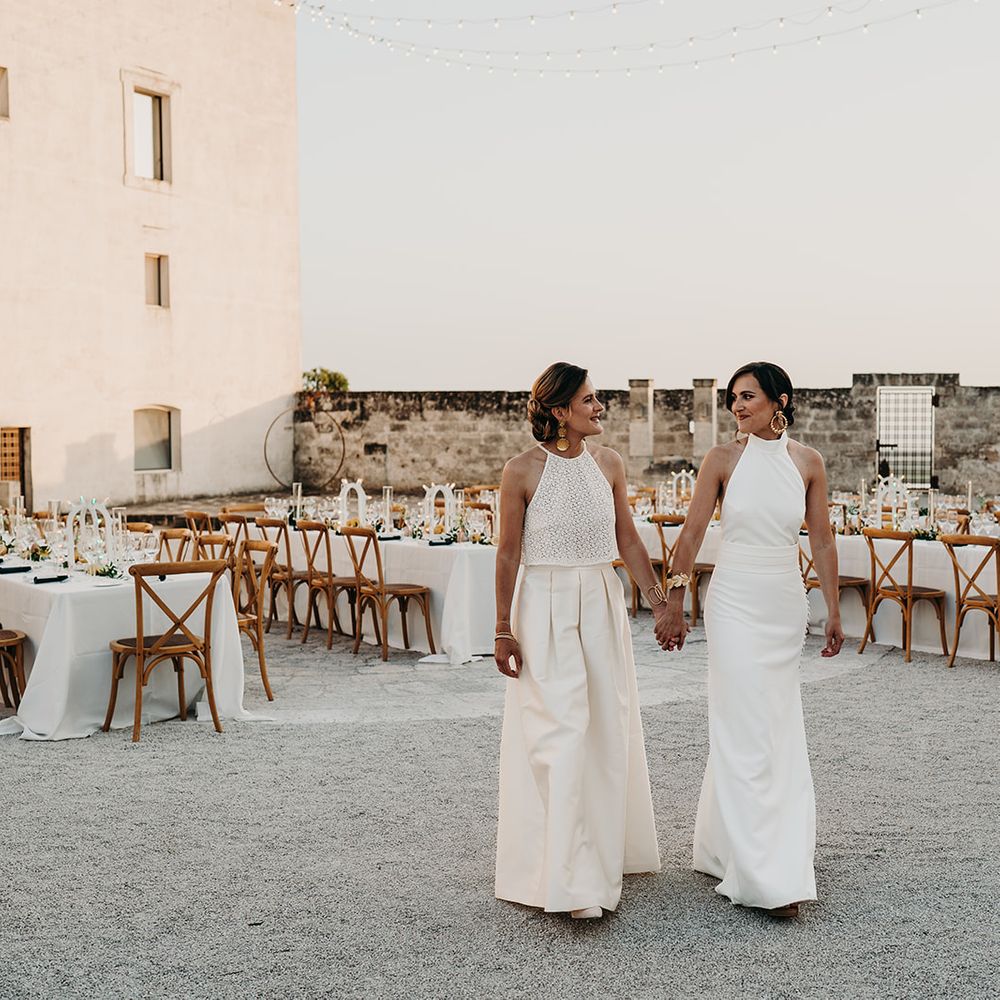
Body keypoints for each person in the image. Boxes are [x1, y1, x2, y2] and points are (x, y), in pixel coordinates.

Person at [656, 361, 844, 918]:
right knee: (741, 723)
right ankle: (766, 875)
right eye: (733, 399)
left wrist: (833, 610)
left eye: (748, 397)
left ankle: (729, 844)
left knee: (775, 724)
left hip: (784, 601)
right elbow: (690, 536)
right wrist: (673, 601)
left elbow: (825, 541)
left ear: (779, 401)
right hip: (734, 601)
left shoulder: (808, 462)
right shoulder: (720, 460)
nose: (738, 407)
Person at [493, 362, 666, 919]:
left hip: (600, 598)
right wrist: (502, 627)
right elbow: (507, 555)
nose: (600, 408)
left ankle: (601, 850)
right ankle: (569, 879)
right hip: (542, 605)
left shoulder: (609, 464)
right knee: (560, 734)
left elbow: (629, 541)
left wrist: (662, 602)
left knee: (605, 727)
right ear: (559, 410)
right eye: (589, 400)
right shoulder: (520, 471)